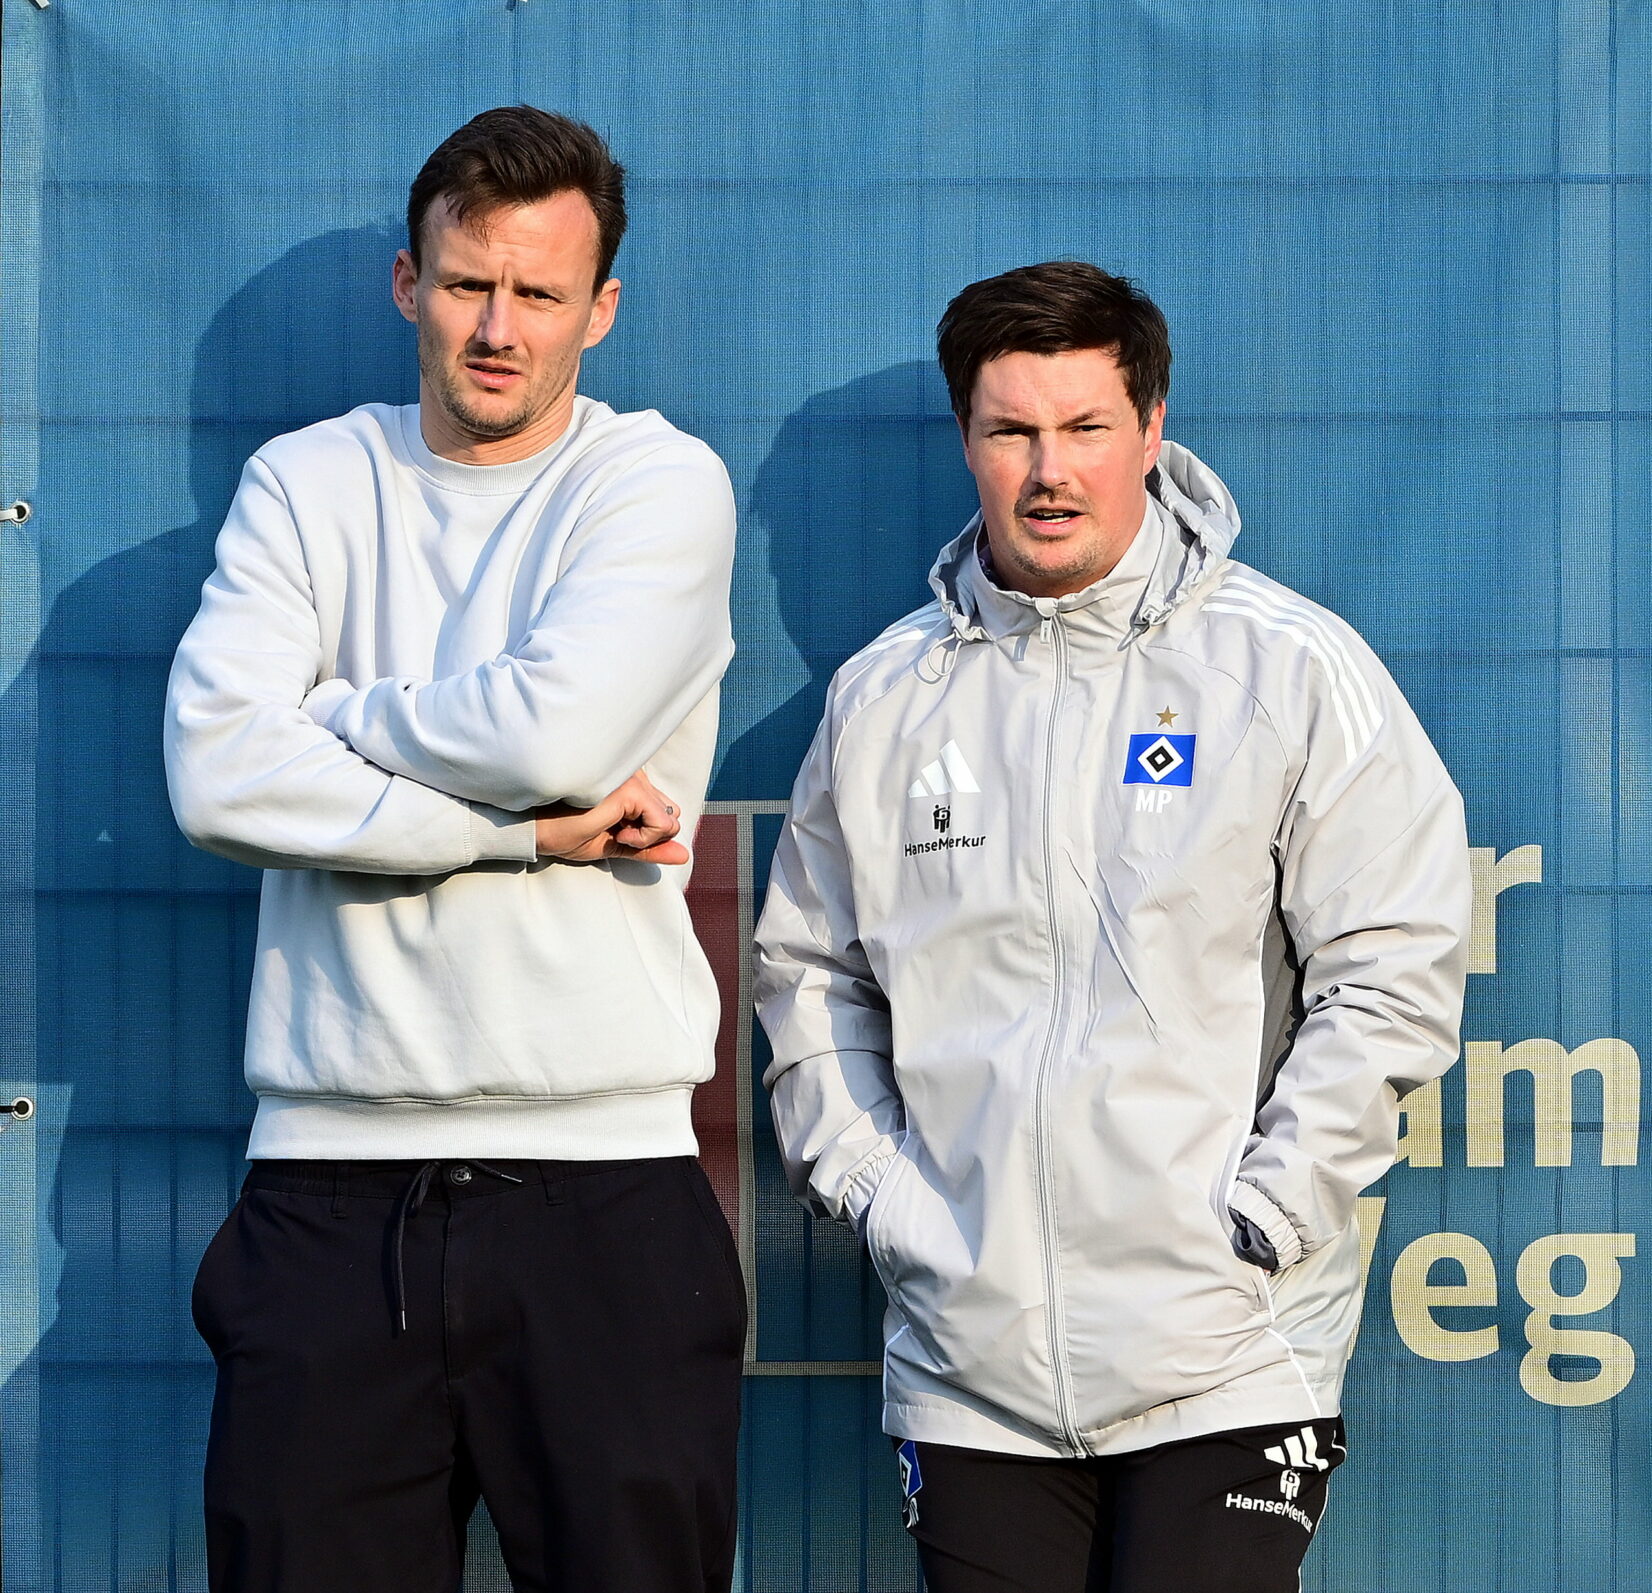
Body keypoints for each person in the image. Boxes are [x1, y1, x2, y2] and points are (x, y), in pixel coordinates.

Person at [754, 260, 1470, 1591]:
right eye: (1012, 429)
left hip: (1227, 1353)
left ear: (1151, 428)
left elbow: (1393, 973)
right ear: (966, 437)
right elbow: (809, 977)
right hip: (974, 1364)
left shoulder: (1289, 667)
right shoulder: (884, 696)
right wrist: (881, 1195)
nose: (1049, 470)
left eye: (1086, 427)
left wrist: (1262, 1215)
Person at [164, 106, 742, 1593]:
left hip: (603, 1191)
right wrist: (529, 842)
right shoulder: (304, 483)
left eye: (539, 293)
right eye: (469, 281)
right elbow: (217, 773)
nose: (500, 327)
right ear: (407, 283)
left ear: (599, 311)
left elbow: (554, 731)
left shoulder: (656, 486)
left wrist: (334, 718)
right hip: (328, 1189)